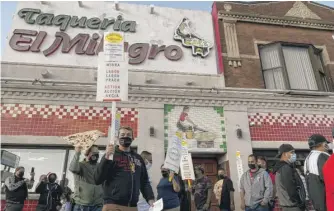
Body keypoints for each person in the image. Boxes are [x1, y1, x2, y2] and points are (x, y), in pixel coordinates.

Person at [94, 126, 155, 211]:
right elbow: (97, 179)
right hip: (113, 205)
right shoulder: (111, 155)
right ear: (118, 138)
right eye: (122, 134)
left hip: (133, 207)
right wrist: (106, 157)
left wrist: (150, 199)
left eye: (128, 135)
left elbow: (144, 181)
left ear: (133, 138)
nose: (125, 136)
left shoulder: (138, 158)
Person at [69, 144, 104, 211]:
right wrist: (77, 153)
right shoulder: (80, 165)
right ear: (87, 153)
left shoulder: (100, 166)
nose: (96, 155)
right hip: (81, 205)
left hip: (98, 205)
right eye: (94, 153)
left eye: (97, 153)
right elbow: (73, 168)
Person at [273, 144, 306, 211]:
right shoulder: (285, 168)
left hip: (288, 205)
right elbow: (291, 188)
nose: (294, 154)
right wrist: (299, 202)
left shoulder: (281, 167)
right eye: (292, 152)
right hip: (292, 206)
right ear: (285, 154)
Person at [304, 134, 330, 211]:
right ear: (323, 144)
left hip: (315, 199)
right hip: (325, 198)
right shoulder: (322, 156)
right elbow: (329, 178)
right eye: (326, 143)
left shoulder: (308, 158)